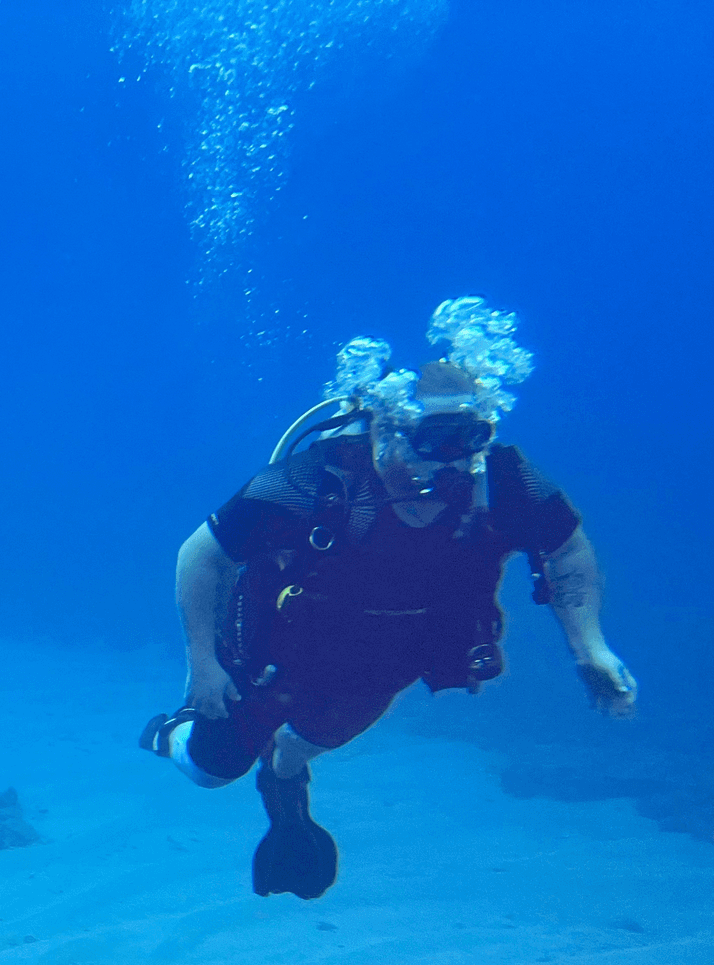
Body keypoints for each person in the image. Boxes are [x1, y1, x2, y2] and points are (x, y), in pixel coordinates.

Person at [141, 299, 636, 899]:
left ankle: (285, 782)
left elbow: (568, 551)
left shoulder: (502, 481)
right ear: (388, 429)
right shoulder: (313, 481)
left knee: (304, 744)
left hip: (389, 660)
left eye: (467, 442)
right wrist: (203, 663)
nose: (444, 469)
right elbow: (201, 554)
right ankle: (172, 732)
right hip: (279, 643)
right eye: (430, 444)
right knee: (212, 768)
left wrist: (590, 646)